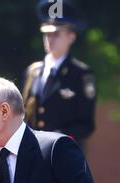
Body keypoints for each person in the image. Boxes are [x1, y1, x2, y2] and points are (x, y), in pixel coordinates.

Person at [22, 0, 96, 152]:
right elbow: (25, 115)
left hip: (65, 156)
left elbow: (86, 125)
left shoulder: (81, 74)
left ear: (71, 36)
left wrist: (56, 139)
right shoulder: (32, 72)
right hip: (33, 155)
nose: (50, 38)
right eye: (47, 33)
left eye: (56, 33)